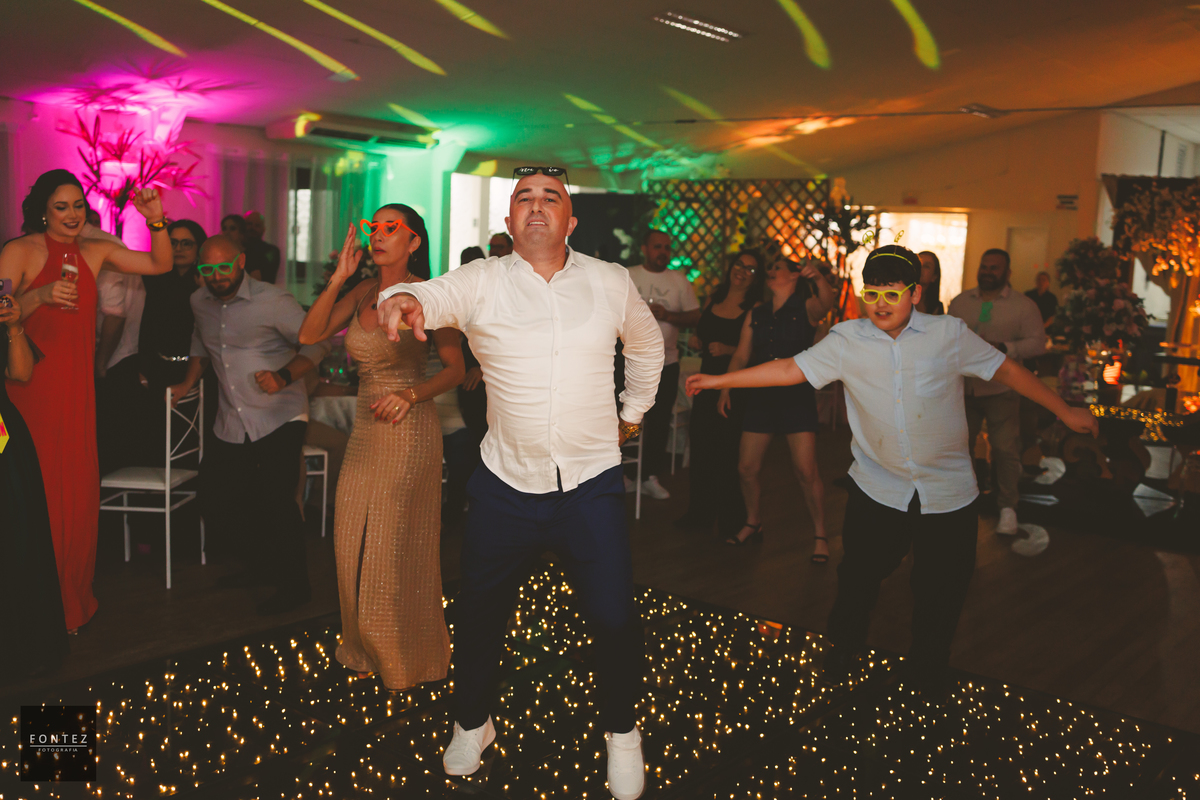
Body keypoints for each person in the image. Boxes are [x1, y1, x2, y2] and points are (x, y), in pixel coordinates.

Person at [686, 245, 1098, 697]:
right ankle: (842, 653)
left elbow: (1007, 372)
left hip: (948, 493)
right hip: (878, 488)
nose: (880, 303)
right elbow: (788, 369)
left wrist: (1064, 409)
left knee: (941, 591)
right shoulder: (847, 339)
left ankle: (927, 674)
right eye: (872, 293)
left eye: (892, 293)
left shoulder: (948, 333)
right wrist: (719, 380)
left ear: (915, 293)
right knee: (857, 580)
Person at [377, 167, 663, 800]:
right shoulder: (482, 280)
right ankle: (472, 723)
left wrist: (632, 414)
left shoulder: (610, 281)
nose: (537, 206)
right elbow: (423, 294)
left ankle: (622, 734)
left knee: (614, 618)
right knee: (480, 615)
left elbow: (647, 347)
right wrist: (400, 300)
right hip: (504, 486)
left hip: (590, 485)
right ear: (509, 219)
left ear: (570, 220)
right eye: (524, 198)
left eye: (550, 198)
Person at [299, 205, 463, 689]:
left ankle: (403, 657)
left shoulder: (431, 295)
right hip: (366, 432)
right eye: (374, 227)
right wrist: (339, 278)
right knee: (347, 535)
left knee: (392, 546)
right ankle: (363, 647)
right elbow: (309, 335)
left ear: (414, 242)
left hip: (409, 428)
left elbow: (455, 370)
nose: (378, 234)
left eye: (392, 228)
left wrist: (410, 394)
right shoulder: (363, 291)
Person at [1, 169, 172, 633]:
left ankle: (69, 603)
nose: (73, 214)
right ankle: (32, 609)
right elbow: (1, 310)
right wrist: (39, 295)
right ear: (42, 211)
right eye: (62, 207)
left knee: (76, 499)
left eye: (78, 205)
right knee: (37, 495)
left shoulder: (96, 250)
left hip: (77, 390)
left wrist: (156, 220)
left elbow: (160, 265)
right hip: (29, 389)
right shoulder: (19, 251)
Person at [169, 235, 329, 615]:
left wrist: (283, 376)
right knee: (215, 498)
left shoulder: (274, 301)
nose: (216, 275)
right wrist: (187, 382)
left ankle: (296, 587)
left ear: (240, 262)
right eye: (208, 269)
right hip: (231, 418)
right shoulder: (199, 301)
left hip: (279, 414)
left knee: (277, 500)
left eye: (224, 267)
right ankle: (263, 565)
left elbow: (318, 343)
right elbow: (200, 342)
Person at [720, 256, 836, 563]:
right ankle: (752, 522)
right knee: (746, 468)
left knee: (806, 470)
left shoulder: (806, 307)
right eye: (769, 268)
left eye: (777, 268)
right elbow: (741, 355)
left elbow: (827, 302)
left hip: (796, 397)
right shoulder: (756, 313)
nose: (770, 271)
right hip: (760, 397)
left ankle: (820, 534)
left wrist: (818, 277)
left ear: (795, 276)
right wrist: (726, 386)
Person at [948, 248, 1047, 535]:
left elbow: (1038, 343)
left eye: (995, 267)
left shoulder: (1023, 306)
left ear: (1007, 272)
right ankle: (962, 504)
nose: (988, 272)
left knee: (1004, 448)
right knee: (959, 448)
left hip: (1001, 388)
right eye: (985, 266)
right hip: (963, 388)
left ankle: (1007, 508)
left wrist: (1007, 348)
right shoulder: (960, 302)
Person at [0, 291, 69, 684]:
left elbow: (21, 373)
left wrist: (14, 326)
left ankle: (23, 649)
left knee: (15, 538)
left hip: (2, 435)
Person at [675, 250, 763, 537]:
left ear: (756, 278)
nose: (742, 271)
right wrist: (698, 340)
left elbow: (757, 354)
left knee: (727, 452)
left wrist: (727, 350)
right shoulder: (715, 297)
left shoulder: (755, 308)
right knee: (701, 447)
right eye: (740, 265)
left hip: (733, 387)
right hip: (706, 382)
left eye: (750, 269)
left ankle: (732, 520)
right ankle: (700, 513)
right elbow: (703, 330)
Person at [627, 229, 701, 500]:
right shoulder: (628, 275)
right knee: (629, 418)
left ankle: (648, 475)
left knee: (658, 421)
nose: (663, 252)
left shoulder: (678, 280)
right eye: (657, 247)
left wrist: (668, 315)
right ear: (644, 249)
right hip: (629, 363)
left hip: (667, 364)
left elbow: (695, 316)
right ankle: (626, 473)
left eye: (667, 248)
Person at [243, 210, 282, 284]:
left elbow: (266, 277)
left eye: (257, 225)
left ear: (263, 229)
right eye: (249, 224)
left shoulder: (272, 251)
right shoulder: (237, 249)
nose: (252, 228)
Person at [917, 251, 944, 315]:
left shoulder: (936, 308)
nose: (921, 268)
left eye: (927, 266)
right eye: (918, 264)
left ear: (934, 277)